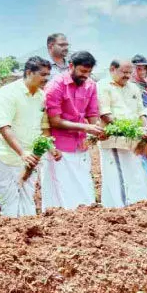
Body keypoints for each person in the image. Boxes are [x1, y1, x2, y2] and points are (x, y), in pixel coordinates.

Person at [0, 56, 56, 217]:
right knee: (9, 199)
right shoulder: (8, 93)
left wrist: (51, 148)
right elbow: (4, 127)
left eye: (48, 75)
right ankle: (10, 238)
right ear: (28, 72)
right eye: (42, 74)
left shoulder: (41, 96)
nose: (46, 79)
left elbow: (42, 127)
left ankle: (28, 234)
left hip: (30, 157)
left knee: (28, 196)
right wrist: (22, 153)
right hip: (7, 156)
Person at [41, 51, 103, 210]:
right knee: (60, 190)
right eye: (82, 71)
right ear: (71, 66)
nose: (86, 75)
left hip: (80, 144)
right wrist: (86, 127)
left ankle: (84, 220)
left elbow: (92, 113)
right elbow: (55, 121)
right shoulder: (56, 85)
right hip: (60, 147)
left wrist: (94, 129)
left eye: (89, 72)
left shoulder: (91, 85)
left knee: (83, 184)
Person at [97, 59, 147, 208]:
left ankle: (134, 205)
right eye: (124, 72)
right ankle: (119, 209)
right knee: (116, 175)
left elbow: (141, 112)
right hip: (114, 140)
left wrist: (146, 130)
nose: (127, 76)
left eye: (129, 72)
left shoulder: (133, 88)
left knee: (134, 173)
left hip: (133, 139)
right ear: (112, 69)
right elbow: (105, 114)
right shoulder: (102, 86)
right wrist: (130, 130)